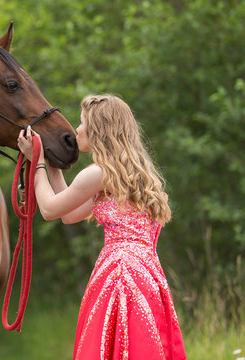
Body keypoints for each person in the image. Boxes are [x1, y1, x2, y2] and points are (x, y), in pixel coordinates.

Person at [17, 94, 187, 360]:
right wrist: (52, 165)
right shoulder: (131, 175)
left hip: (118, 274)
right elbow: (69, 214)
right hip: (147, 276)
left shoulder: (97, 174)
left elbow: (49, 209)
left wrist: (36, 161)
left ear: (99, 129)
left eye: (82, 123)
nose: (77, 130)